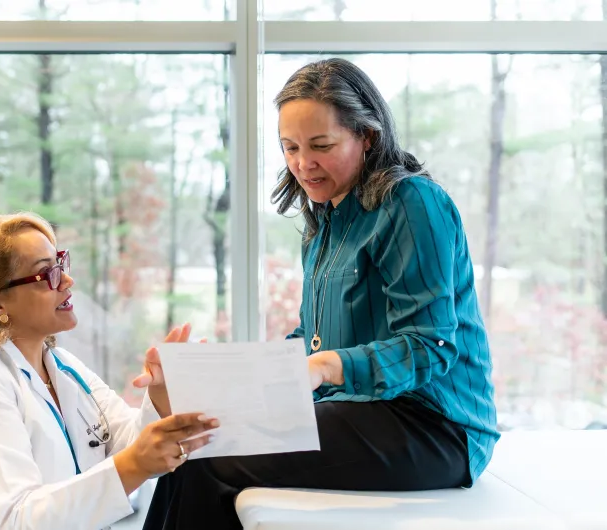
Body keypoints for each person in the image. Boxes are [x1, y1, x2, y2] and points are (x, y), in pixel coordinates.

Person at [143, 58, 499, 529]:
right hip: (361, 410)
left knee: (213, 458)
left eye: (320, 146)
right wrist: (229, 376)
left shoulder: (412, 204)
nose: (302, 163)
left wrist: (325, 366)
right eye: (289, 147)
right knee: (199, 441)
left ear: (367, 136)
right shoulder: (324, 220)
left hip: (436, 426)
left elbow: (431, 346)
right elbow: (311, 336)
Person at [0, 213, 218, 530]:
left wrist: (161, 397)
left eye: (61, 263)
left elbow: (127, 445)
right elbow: (15, 520)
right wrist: (136, 463)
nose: (67, 280)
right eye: (47, 272)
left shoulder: (62, 367)